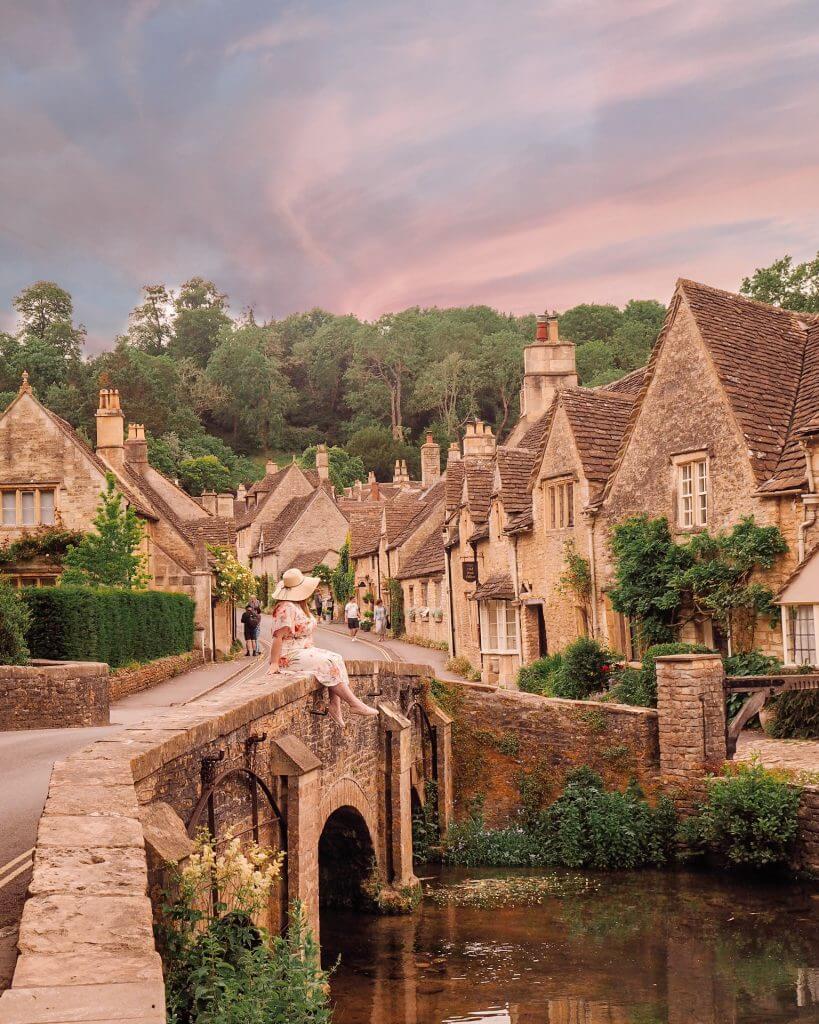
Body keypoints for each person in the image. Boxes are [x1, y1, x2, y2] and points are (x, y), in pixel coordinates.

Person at [268, 568, 378, 728]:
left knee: (336, 658)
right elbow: (277, 637)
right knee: (326, 663)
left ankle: (335, 706)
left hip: (302, 650)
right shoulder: (286, 607)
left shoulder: (299, 606)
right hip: (288, 655)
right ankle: (354, 704)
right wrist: (274, 663)